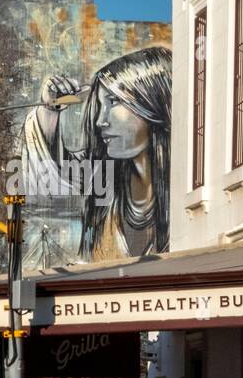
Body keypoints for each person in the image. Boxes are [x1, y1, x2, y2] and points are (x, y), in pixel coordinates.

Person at [24, 46, 172, 260]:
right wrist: (49, 109)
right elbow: (49, 174)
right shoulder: (102, 175)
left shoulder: (189, 182)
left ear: (153, 102)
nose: (100, 120)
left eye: (113, 102)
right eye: (100, 105)